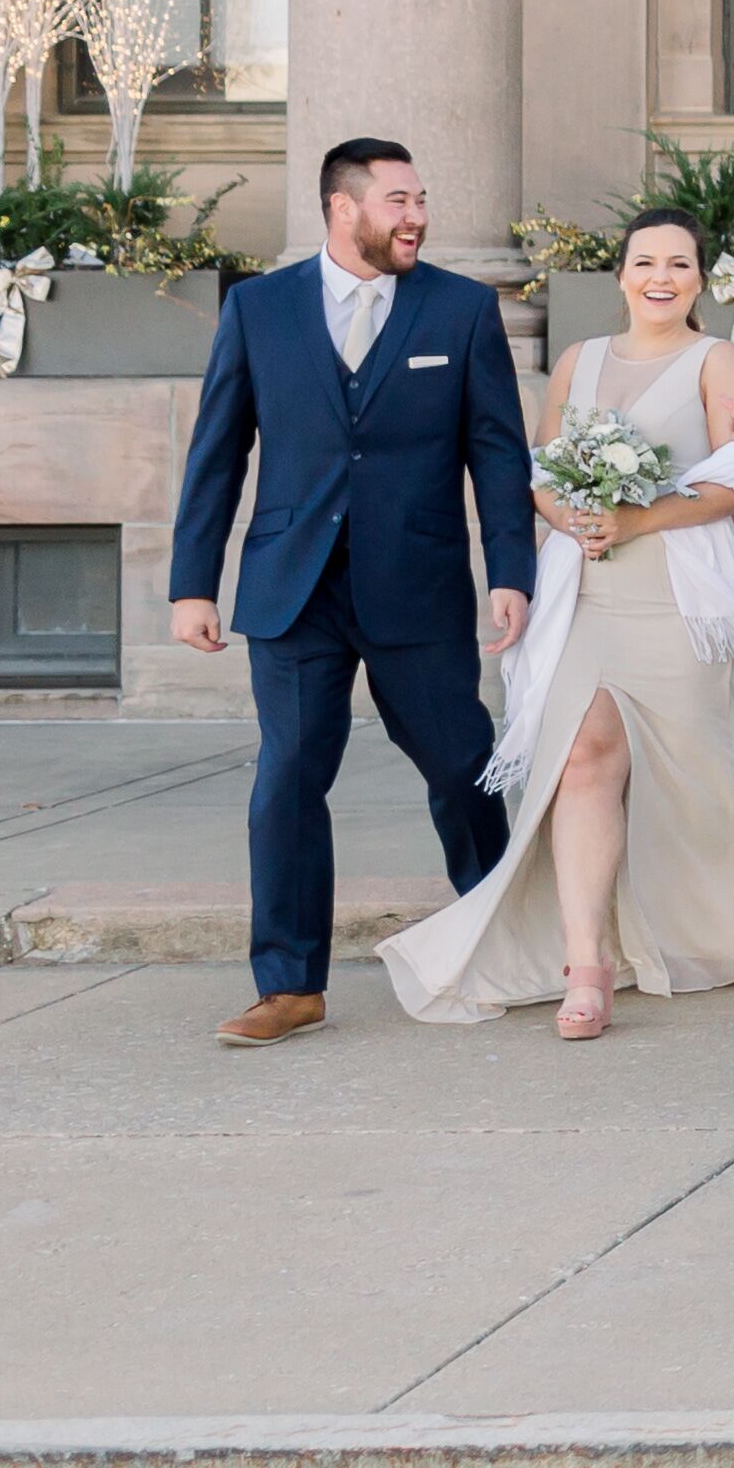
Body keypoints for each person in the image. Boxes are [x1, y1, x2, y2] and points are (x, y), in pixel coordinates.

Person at [379, 207, 734, 1033]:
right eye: (645, 262)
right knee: (583, 755)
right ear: (619, 275)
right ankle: (588, 963)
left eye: (680, 265)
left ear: (699, 280)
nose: (661, 277)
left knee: (697, 777)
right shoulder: (576, 362)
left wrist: (640, 517)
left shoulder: (718, 363)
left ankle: (725, 917)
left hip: (676, 597)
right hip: (586, 591)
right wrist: (568, 515)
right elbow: (534, 472)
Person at [167, 137, 537, 1048]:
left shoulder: (459, 308)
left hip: (416, 582)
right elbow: (218, 451)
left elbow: (497, 451)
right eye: (398, 201)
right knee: (289, 775)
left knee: (463, 766)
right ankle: (289, 985)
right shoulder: (259, 308)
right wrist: (191, 584)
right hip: (294, 586)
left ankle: (502, 940)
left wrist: (512, 574)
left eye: (421, 200)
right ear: (343, 208)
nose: (416, 217)